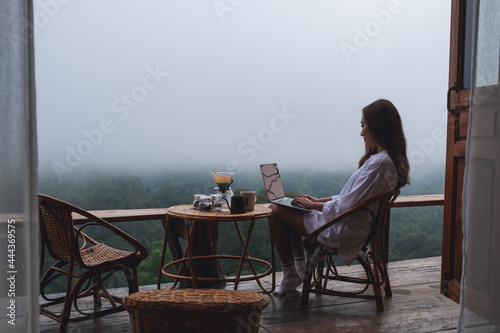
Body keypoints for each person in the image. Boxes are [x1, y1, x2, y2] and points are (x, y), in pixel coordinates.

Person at [269, 99, 410, 295]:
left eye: (363, 126)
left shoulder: (379, 164)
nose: (361, 133)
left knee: (275, 210)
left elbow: (345, 206)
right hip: (349, 225)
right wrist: (315, 201)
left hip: (341, 229)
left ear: (377, 125)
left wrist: (311, 205)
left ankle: (294, 272)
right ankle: (296, 270)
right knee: (289, 210)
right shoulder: (385, 161)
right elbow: (349, 198)